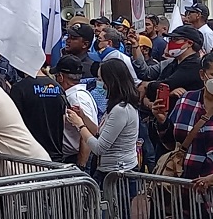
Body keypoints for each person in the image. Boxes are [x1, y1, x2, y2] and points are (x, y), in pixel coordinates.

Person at [66, 59, 139, 192]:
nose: (100, 84)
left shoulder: (121, 109)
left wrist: (80, 125)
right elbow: (99, 132)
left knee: (116, 212)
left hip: (117, 175)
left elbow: (99, 147)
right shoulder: (116, 106)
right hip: (109, 171)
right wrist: (83, 116)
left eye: (101, 79)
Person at [153, 52, 213, 184]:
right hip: (184, 186)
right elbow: (171, 143)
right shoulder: (187, 100)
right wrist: (162, 121)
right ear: (203, 75)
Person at [8, 63, 66, 162]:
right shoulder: (58, 87)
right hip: (55, 155)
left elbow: (13, 122)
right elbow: (64, 119)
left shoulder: (19, 88)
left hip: (29, 155)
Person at [50, 55, 99, 169]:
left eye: (56, 76)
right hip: (73, 156)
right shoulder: (77, 94)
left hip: (77, 158)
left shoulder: (76, 97)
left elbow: (87, 132)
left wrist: (81, 165)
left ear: (61, 77)